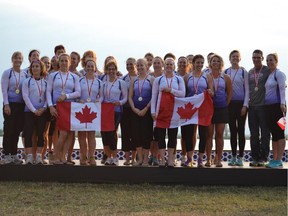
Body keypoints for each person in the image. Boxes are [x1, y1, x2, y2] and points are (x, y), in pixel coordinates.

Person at [46, 53, 81, 164]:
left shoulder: (74, 76)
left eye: (66, 61)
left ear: (69, 62)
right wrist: (51, 106)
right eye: (62, 61)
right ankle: (56, 157)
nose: (64, 63)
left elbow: (78, 92)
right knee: (62, 133)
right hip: (57, 107)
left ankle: (63, 157)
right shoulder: (53, 75)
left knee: (70, 133)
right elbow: (48, 92)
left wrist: (66, 96)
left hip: (70, 107)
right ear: (59, 62)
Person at [151, 58, 185, 167]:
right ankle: (162, 159)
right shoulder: (158, 80)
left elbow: (182, 94)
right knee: (161, 136)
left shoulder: (179, 79)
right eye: (167, 64)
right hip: (160, 112)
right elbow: (154, 96)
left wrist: (171, 90)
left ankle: (170, 159)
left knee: (172, 136)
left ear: (174, 66)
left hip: (174, 112)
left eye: (171, 64)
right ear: (163, 66)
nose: (169, 66)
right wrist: (152, 111)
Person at [182, 54, 213, 167]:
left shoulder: (207, 76)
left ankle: (200, 158)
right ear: (193, 63)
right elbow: (183, 94)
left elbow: (211, 91)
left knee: (203, 134)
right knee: (189, 134)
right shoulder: (187, 77)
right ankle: (189, 158)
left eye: (201, 62)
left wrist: (210, 93)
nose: (199, 65)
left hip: (203, 109)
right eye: (197, 62)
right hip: (190, 109)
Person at [205, 54, 232, 167]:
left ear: (221, 63)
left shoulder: (225, 77)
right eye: (213, 61)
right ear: (210, 63)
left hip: (221, 108)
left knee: (219, 134)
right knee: (209, 134)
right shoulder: (206, 76)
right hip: (209, 109)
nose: (215, 63)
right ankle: (208, 159)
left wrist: (226, 103)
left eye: (218, 61)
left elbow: (230, 92)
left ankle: (218, 159)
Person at [1, 51, 27, 164]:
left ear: (22, 60)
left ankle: (14, 155)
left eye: (20, 58)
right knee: (9, 130)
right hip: (10, 105)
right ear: (12, 60)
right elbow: (4, 90)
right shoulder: (7, 73)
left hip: (21, 106)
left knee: (17, 131)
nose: (18, 60)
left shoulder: (24, 74)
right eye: (15, 58)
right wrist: (6, 104)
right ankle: (6, 155)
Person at [224, 50, 249, 166]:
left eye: (237, 56)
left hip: (241, 105)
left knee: (241, 131)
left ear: (240, 58)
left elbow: (247, 90)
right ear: (229, 59)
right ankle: (233, 156)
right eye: (233, 56)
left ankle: (241, 157)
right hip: (230, 105)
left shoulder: (244, 72)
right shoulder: (226, 72)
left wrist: (245, 105)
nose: (235, 58)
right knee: (232, 131)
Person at [101, 60, 127, 166]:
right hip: (105, 111)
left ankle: (115, 157)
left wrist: (119, 102)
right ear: (106, 71)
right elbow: (101, 97)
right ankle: (108, 157)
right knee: (104, 134)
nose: (111, 71)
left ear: (116, 70)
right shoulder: (103, 83)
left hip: (116, 111)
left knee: (112, 133)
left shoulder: (121, 83)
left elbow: (125, 98)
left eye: (113, 69)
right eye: (109, 69)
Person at [129, 58, 154, 166]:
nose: (139, 67)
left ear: (146, 66)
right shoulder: (134, 80)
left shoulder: (151, 79)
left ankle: (145, 159)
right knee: (136, 135)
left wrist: (146, 109)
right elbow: (130, 97)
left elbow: (154, 96)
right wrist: (134, 109)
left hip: (146, 112)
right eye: (138, 66)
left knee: (146, 135)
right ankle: (139, 158)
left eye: (141, 65)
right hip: (135, 111)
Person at [22, 60, 48, 164]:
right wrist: (34, 110)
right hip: (29, 112)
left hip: (42, 112)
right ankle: (28, 156)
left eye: (37, 66)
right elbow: (25, 97)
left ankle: (38, 156)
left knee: (41, 134)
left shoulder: (45, 83)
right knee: (28, 133)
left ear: (42, 69)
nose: (35, 68)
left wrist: (44, 107)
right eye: (33, 67)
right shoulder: (27, 81)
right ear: (31, 69)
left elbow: (48, 97)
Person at [78, 60, 103, 165]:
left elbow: (102, 96)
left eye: (92, 66)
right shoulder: (79, 81)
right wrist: (79, 100)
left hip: (93, 109)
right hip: (81, 108)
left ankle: (92, 156)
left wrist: (99, 101)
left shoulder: (99, 82)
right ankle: (83, 156)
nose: (89, 68)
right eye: (88, 66)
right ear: (85, 67)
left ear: (95, 68)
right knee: (82, 134)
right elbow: (77, 93)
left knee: (91, 134)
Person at [248, 50, 271, 166]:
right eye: (254, 58)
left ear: (262, 58)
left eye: (258, 57)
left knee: (265, 133)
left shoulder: (267, 70)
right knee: (254, 134)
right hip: (252, 106)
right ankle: (255, 158)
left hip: (264, 106)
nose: (256, 59)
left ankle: (264, 157)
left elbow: (277, 78)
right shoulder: (250, 72)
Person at [264, 53, 286, 168]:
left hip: (278, 107)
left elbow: (282, 89)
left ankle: (279, 159)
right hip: (269, 108)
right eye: (267, 61)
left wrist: (282, 104)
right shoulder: (270, 75)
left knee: (280, 133)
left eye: (271, 60)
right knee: (274, 134)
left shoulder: (279, 74)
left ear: (276, 61)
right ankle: (274, 159)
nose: (269, 62)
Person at [120, 58, 137, 165]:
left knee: (135, 133)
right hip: (125, 109)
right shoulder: (123, 79)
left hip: (136, 109)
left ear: (135, 65)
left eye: (131, 64)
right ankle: (127, 158)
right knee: (125, 133)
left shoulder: (139, 77)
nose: (129, 66)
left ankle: (134, 158)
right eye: (127, 64)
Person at [148, 56, 164, 166]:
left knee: (158, 136)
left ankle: (156, 156)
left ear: (162, 64)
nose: (157, 64)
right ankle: (151, 155)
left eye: (158, 62)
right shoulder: (149, 77)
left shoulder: (165, 77)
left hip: (162, 109)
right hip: (150, 109)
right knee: (150, 136)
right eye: (155, 63)